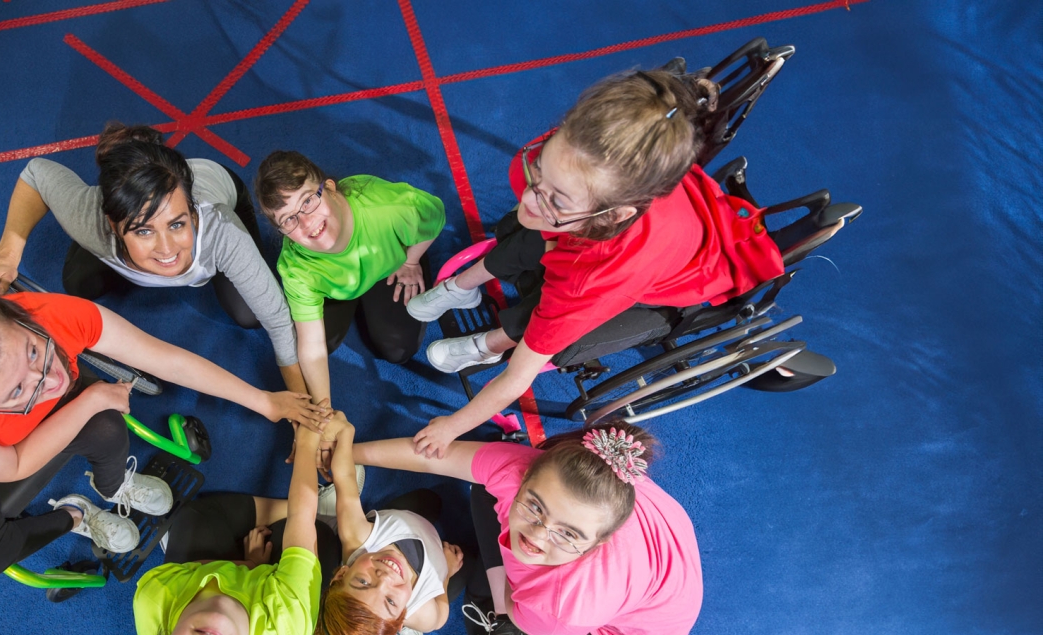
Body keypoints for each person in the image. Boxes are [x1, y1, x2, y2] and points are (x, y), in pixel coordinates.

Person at [403, 69, 784, 458]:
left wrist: (451, 427)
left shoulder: (596, 275)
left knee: (545, 313)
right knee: (529, 230)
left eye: (557, 198)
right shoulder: (578, 160)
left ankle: (488, 344)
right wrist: (552, 206)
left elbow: (519, 377)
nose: (531, 199)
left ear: (614, 215)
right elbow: (546, 203)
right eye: (539, 174)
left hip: (671, 273)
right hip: (636, 221)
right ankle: (462, 288)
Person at [0, 273, 325, 581]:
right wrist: (90, 397)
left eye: (34, 350)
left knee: (107, 426)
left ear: (12, 315)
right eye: (19, 388)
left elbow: (164, 358)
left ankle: (112, 486)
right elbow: (13, 464)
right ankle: (76, 515)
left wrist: (263, 400)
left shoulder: (50, 316)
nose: (52, 378)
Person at [0, 122, 314, 394]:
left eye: (177, 224)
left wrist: (305, 413)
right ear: (114, 226)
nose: (167, 249)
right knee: (77, 282)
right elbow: (37, 174)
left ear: (192, 212)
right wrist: (7, 252)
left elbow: (279, 322)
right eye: (144, 231)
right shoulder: (90, 219)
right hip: (116, 225)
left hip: (220, 189)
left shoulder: (222, 231)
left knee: (249, 313)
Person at [349, 420, 703, 635]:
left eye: (567, 533)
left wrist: (509, 603)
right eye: (534, 506)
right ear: (526, 474)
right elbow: (432, 456)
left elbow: (517, 612)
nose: (535, 535)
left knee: (507, 614)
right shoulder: (521, 468)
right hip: (661, 541)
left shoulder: (565, 606)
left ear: (597, 544)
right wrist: (347, 452)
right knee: (481, 494)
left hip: (648, 618)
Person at [253, 151, 445, 408]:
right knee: (312, 347)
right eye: (289, 219)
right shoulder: (295, 266)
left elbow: (436, 216)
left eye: (308, 201)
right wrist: (324, 410)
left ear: (330, 188)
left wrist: (411, 260)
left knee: (398, 350)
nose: (307, 223)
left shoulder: (390, 209)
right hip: (339, 291)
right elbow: (312, 346)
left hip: (389, 268)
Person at [133, 421, 327, 635]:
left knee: (192, 517)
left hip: (201, 578)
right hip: (274, 591)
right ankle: (324, 506)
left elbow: (192, 568)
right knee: (319, 535)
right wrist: (309, 439)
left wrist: (249, 563)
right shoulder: (290, 622)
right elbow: (302, 516)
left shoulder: (154, 598)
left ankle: (296, 510)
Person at [316, 414, 470, 635]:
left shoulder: (357, 537)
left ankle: (326, 512)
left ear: (341, 574)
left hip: (404, 518)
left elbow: (344, 477)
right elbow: (440, 618)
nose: (385, 578)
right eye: (390, 601)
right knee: (469, 562)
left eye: (363, 582)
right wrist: (445, 575)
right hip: (430, 550)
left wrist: (345, 431)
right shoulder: (422, 615)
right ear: (403, 616)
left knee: (429, 500)